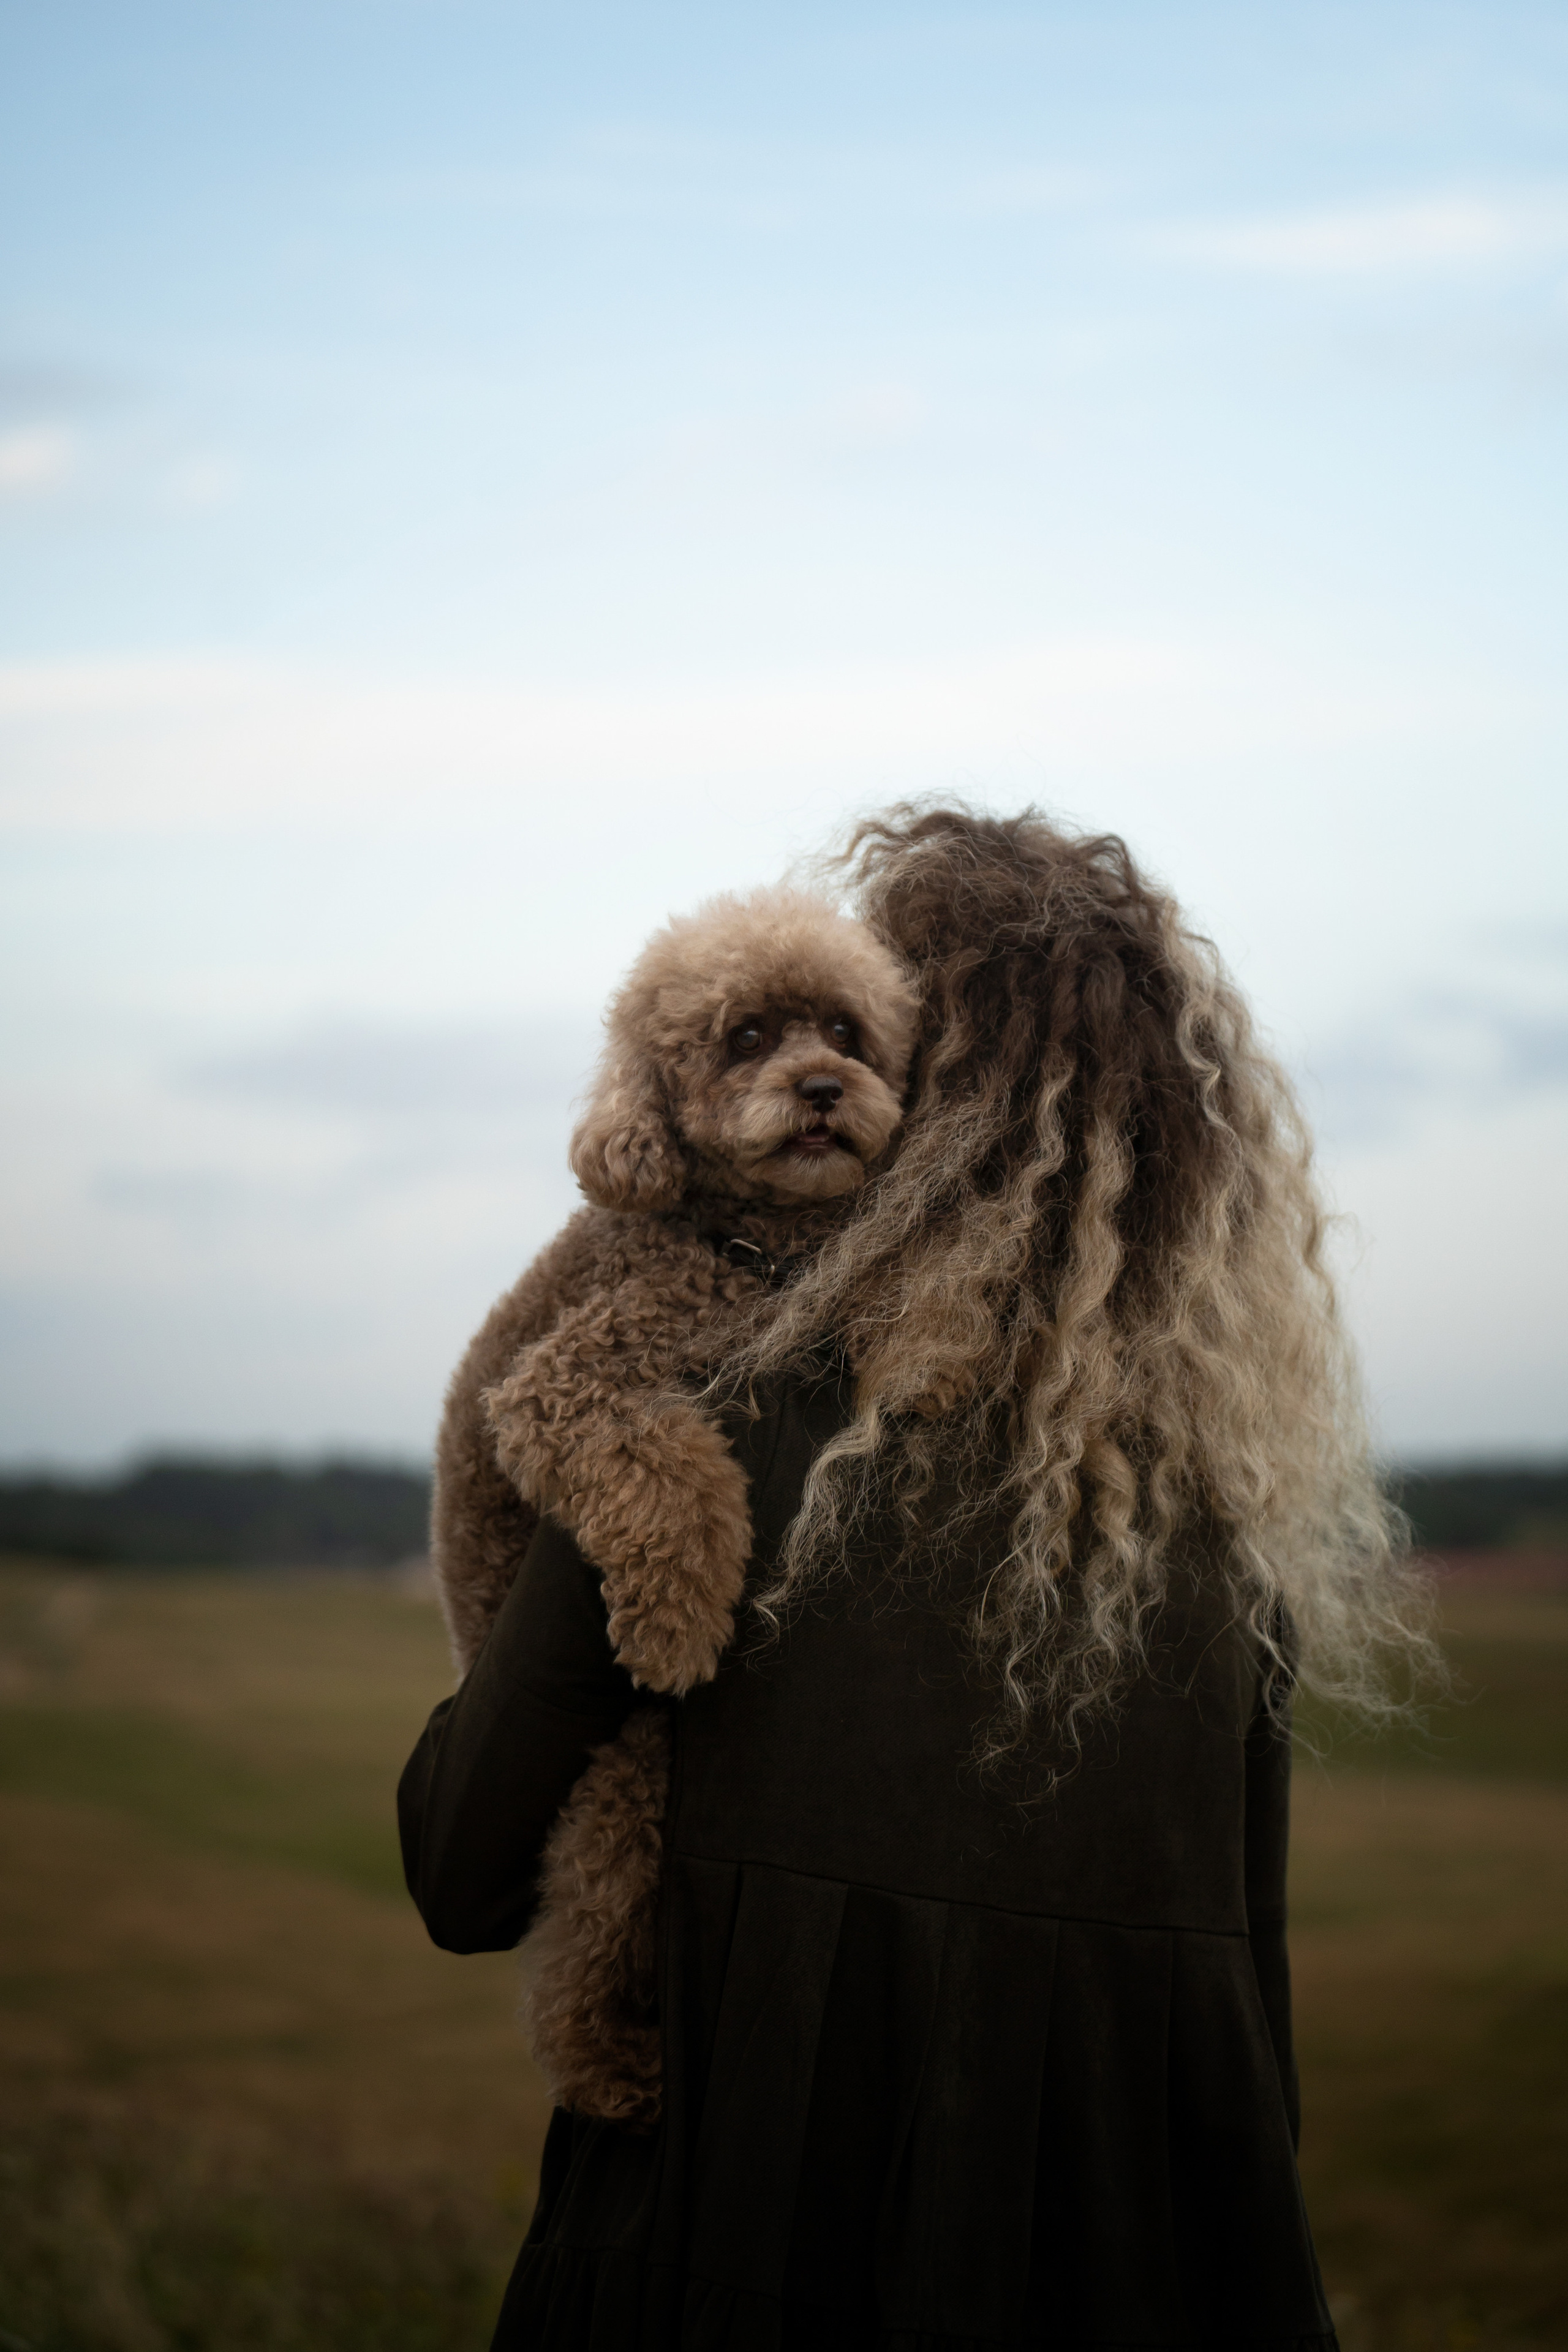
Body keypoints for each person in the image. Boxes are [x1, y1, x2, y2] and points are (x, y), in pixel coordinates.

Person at [399, 806, 1431, 2351]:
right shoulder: (1220, 1520)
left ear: (927, 1105)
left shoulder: (714, 1431)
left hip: (715, 2264)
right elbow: (1250, 2039)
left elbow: (461, 1868)